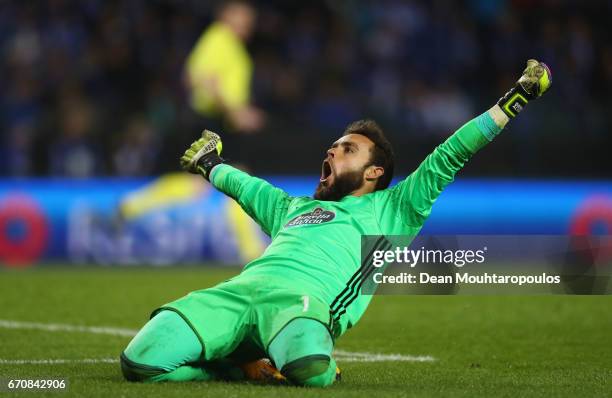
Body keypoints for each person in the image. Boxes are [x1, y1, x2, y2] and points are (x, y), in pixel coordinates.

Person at [120, 60, 551, 386]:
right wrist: (210, 164)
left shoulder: (395, 210)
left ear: (374, 173)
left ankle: (246, 361)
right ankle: (237, 367)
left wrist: (516, 99)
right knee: (139, 362)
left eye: (346, 149)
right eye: (331, 147)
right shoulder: (294, 208)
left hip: (301, 305)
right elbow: (248, 188)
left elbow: (451, 152)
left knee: (310, 370)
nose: (331, 152)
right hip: (238, 292)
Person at [185, 0, 264, 134]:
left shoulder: (233, 45)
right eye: (241, 14)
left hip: (223, 125)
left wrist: (243, 111)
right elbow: (198, 78)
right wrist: (235, 113)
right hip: (209, 125)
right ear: (226, 15)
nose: (247, 20)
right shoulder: (219, 38)